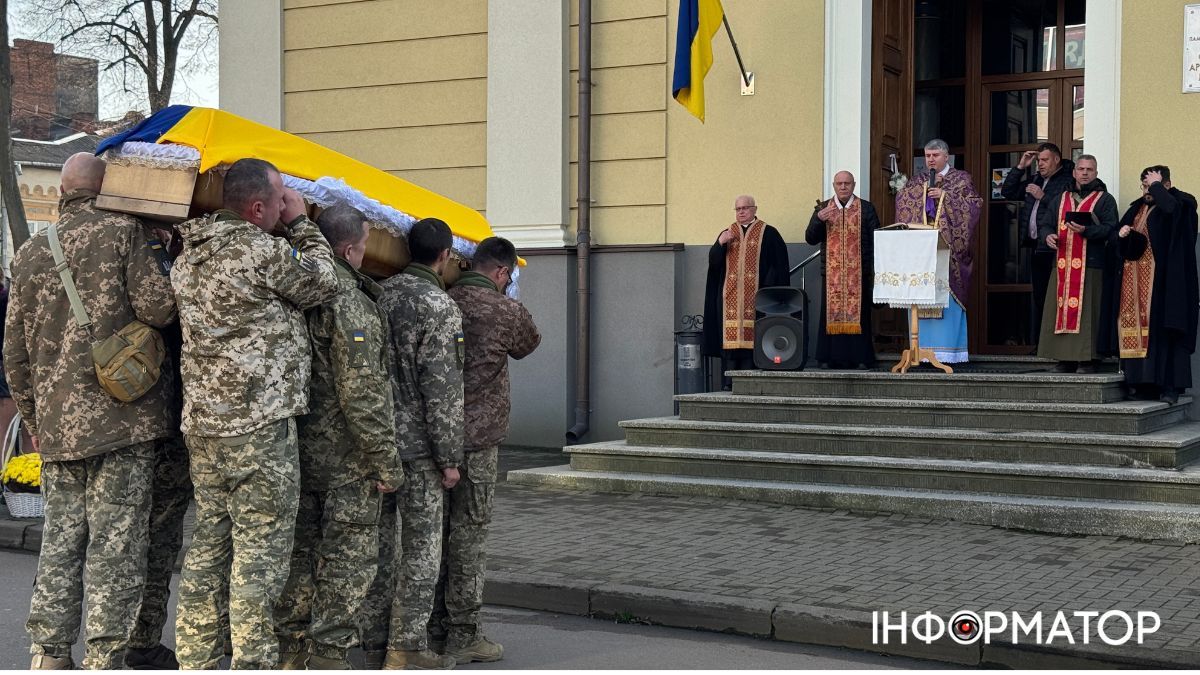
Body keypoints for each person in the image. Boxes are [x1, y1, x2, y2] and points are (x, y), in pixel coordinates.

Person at [4, 153, 178, 669]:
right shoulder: (123, 234)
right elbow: (159, 308)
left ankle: (49, 654)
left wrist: (35, 424)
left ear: (62, 191)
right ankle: (106, 655)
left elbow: (13, 355)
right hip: (124, 422)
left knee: (60, 542)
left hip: (58, 430)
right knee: (116, 544)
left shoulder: (31, 253)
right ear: (106, 187)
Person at [171, 158, 340, 669]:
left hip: (204, 427)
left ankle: (196, 660)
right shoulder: (257, 250)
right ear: (259, 207)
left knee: (208, 547)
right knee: (260, 555)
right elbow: (324, 283)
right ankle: (253, 662)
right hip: (258, 428)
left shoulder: (189, 254)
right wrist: (303, 225)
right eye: (281, 197)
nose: (286, 204)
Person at [273, 205, 402, 669]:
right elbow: (363, 393)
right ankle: (328, 657)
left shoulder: (291, 288)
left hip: (293, 448)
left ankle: (289, 654)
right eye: (366, 244)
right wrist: (385, 460)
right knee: (347, 561)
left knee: (296, 558)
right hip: (347, 459)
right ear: (350, 249)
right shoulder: (350, 302)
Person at [436, 237, 541, 663]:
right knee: (469, 537)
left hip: (434, 434)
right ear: (501, 273)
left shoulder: (442, 296)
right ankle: (462, 633)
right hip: (477, 441)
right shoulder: (505, 310)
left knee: (431, 536)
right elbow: (528, 343)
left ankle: (425, 627)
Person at [375, 218, 464, 670]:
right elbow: (443, 390)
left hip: (379, 442)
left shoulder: (381, 294)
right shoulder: (439, 306)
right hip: (421, 450)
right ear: (445, 255)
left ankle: (372, 640)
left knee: (379, 545)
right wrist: (450, 458)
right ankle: (407, 646)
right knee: (421, 549)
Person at [126, 226, 191, 671]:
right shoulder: (159, 268)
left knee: (127, 537)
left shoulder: (132, 258)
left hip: (133, 421)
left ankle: (131, 635)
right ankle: (141, 638)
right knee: (157, 537)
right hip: (164, 424)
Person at [1099, 166, 1199, 402]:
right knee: (1139, 334)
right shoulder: (1137, 208)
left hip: (1165, 285)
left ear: (1166, 185)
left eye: (1152, 185)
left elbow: (1172, 211)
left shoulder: (1182, 203)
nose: (1147, 191)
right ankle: (1141, 384)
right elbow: (1114, 238)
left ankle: (1169, 387)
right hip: (1134, 287)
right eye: (1144, 186)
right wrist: (1121, 234)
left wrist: (1158, 186)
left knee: (1165, 335)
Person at [894, 138, 982, 364]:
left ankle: (948, 352)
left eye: (935, 156)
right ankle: (920, 351)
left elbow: (973, 206)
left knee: (947, 295)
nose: (931, 160)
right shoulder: (918, 180)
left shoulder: (961, 179)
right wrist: (920, 194)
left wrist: (944, 196)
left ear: (946, 157)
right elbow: (904, 202)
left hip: (948, 251)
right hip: (921, 253)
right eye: (928, 156)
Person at [1036, 155, 1117, 373]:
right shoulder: (1060, 198)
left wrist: (1087, 231)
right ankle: (1064, 359)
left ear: (1096, 173)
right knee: (1060, 310)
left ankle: (1088, 360)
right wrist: (1047, 236)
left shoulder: (1105, 199)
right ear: (1074, 172)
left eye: (1089, 169)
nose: (1084, 173)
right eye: (1081, 168)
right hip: (1062, 266)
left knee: (1089, 314)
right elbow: (1044, 223)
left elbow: (1111, 228)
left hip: (1091, 267)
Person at [702, 195, 790, 389]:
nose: (741, 212)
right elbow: (714, 263)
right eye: (738, 209)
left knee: (755, 338)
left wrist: (768, 289)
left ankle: (751, 381)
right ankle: (729, 381)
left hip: (757, 298)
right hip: (729, 298)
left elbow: (779, 265)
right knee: (730, 341)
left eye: (745, 208)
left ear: (754, 209)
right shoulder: (727, 233)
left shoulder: (768, 233)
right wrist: (719, 244)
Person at [1000, 142, 1075, 344]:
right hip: (1035, 246)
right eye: (1038, 160)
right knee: (1039, 296)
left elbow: (1068, 208)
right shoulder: (1034, 179)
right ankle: (1041, 343)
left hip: (1055, 246)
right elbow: (1007, 191)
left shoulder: (1067, 181)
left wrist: (1043, 196)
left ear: (1057, 160)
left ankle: (1054, 344)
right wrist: (1020, 167)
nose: (1040, 164)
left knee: (1054, 296)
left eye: (1044, 160)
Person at [805, 171, 881, 369]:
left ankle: (861, 358)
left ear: (854, 185)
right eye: (839, 183)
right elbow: (810, 238)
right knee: (830, 314)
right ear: (834, 185)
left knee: (861, 315)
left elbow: (876, 239)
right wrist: (818, 219)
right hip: (832, 275)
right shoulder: (823, 208)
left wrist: (874, 268)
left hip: (859, 272)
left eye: (847, 183)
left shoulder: (866, 208)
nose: (843, 187)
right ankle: (828, 358)